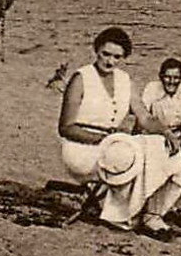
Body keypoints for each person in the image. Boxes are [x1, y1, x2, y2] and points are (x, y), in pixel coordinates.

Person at [58, 27, 170, 183]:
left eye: (117, 57)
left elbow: (145, 118)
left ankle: (147, 206)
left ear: (124, 58)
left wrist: (166, 132)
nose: (110, 61)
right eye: (106, 54)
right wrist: (104, 139)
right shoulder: (81, 78)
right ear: (96, 51)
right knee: (130, 158)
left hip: (112, 145)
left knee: (158, 148)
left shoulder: (125, 80)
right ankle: (122, 205)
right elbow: (66, 128)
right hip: (81, 149)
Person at [140, 58, 181, 151]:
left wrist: (178, 140)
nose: (171, 81)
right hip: (154, 133)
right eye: (167, 77)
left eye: (176, 78)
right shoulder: (152, 88)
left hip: (179, 134)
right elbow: (143, 116)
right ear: (161, 77)